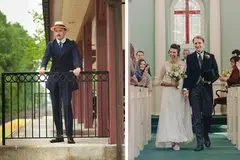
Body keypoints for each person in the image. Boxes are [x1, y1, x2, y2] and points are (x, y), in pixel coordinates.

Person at [39, 21, 82, 144]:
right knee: (55, 107)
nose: (58, 33)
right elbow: (46, 57)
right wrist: (42, 67)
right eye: (56, 31)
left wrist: (78, 67)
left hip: (67, 78)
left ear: (64, 31)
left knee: (67, 105)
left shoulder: (71, 44)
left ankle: (69, 135)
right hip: (54, 79)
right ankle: (59, 135)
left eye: (60, 30)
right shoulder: (51, 45)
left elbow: (76, 57)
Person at [183, 35, 219, 151]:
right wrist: (185, 88)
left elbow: (217, 73)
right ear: (193, 45)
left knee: (207, 114)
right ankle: (199, 142)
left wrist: (209, 80)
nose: (198, 45)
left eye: (200, 43)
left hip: (207, 89)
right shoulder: (190, 58)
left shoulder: (210, 57)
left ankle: (205, 134)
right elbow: (187, 75)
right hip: (194, 90)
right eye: (196, 43)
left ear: (203, 44)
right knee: (196, 116)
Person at [155, 44, 193, 151]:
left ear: (178, 53)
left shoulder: (183, 64)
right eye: (171, 52)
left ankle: (176, 140)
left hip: (179, 93)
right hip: (168, 93)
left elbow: (186, 79)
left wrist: (185, 90)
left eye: (174, 52)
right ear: (169, 52)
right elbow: (158, 81)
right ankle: (171, 140)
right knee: (168, 116)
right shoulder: (165, 64)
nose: (172, 54)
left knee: (178, 115)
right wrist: (170, 84)